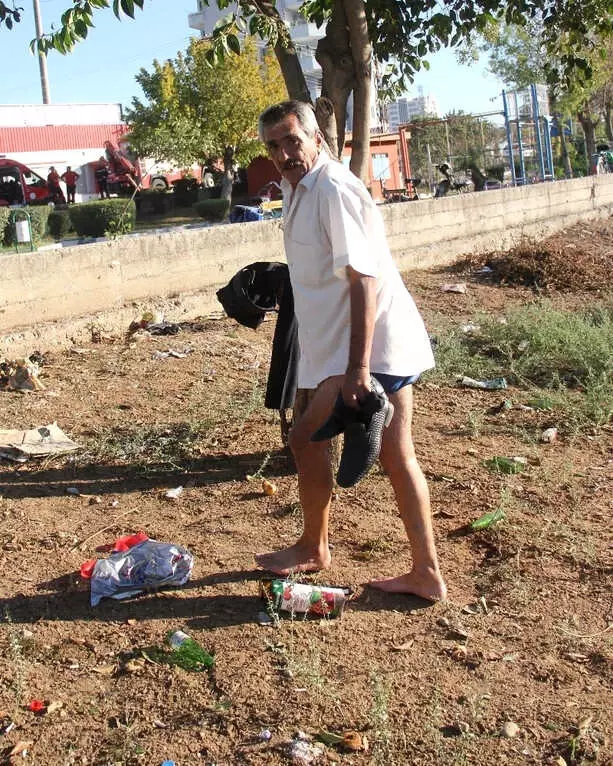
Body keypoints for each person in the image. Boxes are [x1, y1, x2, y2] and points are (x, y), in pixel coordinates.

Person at [255, 100, 447, 602]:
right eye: (273, 145)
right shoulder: (299, 189)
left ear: (316, 138)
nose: (283, 153)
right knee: (305, 438)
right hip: (336, 349)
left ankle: (426, 572)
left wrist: (358, 370)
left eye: (291, 140)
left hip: (374, 348)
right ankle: (314, 546)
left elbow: (364, 280)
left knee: (394, 453)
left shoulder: (335, 189)